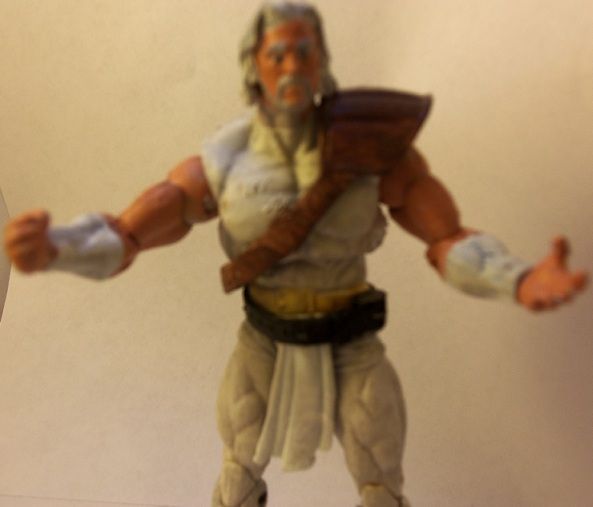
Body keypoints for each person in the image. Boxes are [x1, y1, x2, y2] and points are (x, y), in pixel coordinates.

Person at [3, 3, 587, 507]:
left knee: (380, 478)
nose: (291, 67)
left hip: (351, 341)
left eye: (304, 53)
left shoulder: (369, 150)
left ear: (322, 63)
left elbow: (447, 238)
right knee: (238, 474)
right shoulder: (223, 162)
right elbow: (131, 233)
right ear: (252, 67)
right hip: (265, 339)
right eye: (277, 54)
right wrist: (61, 248)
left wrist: (515, 279)